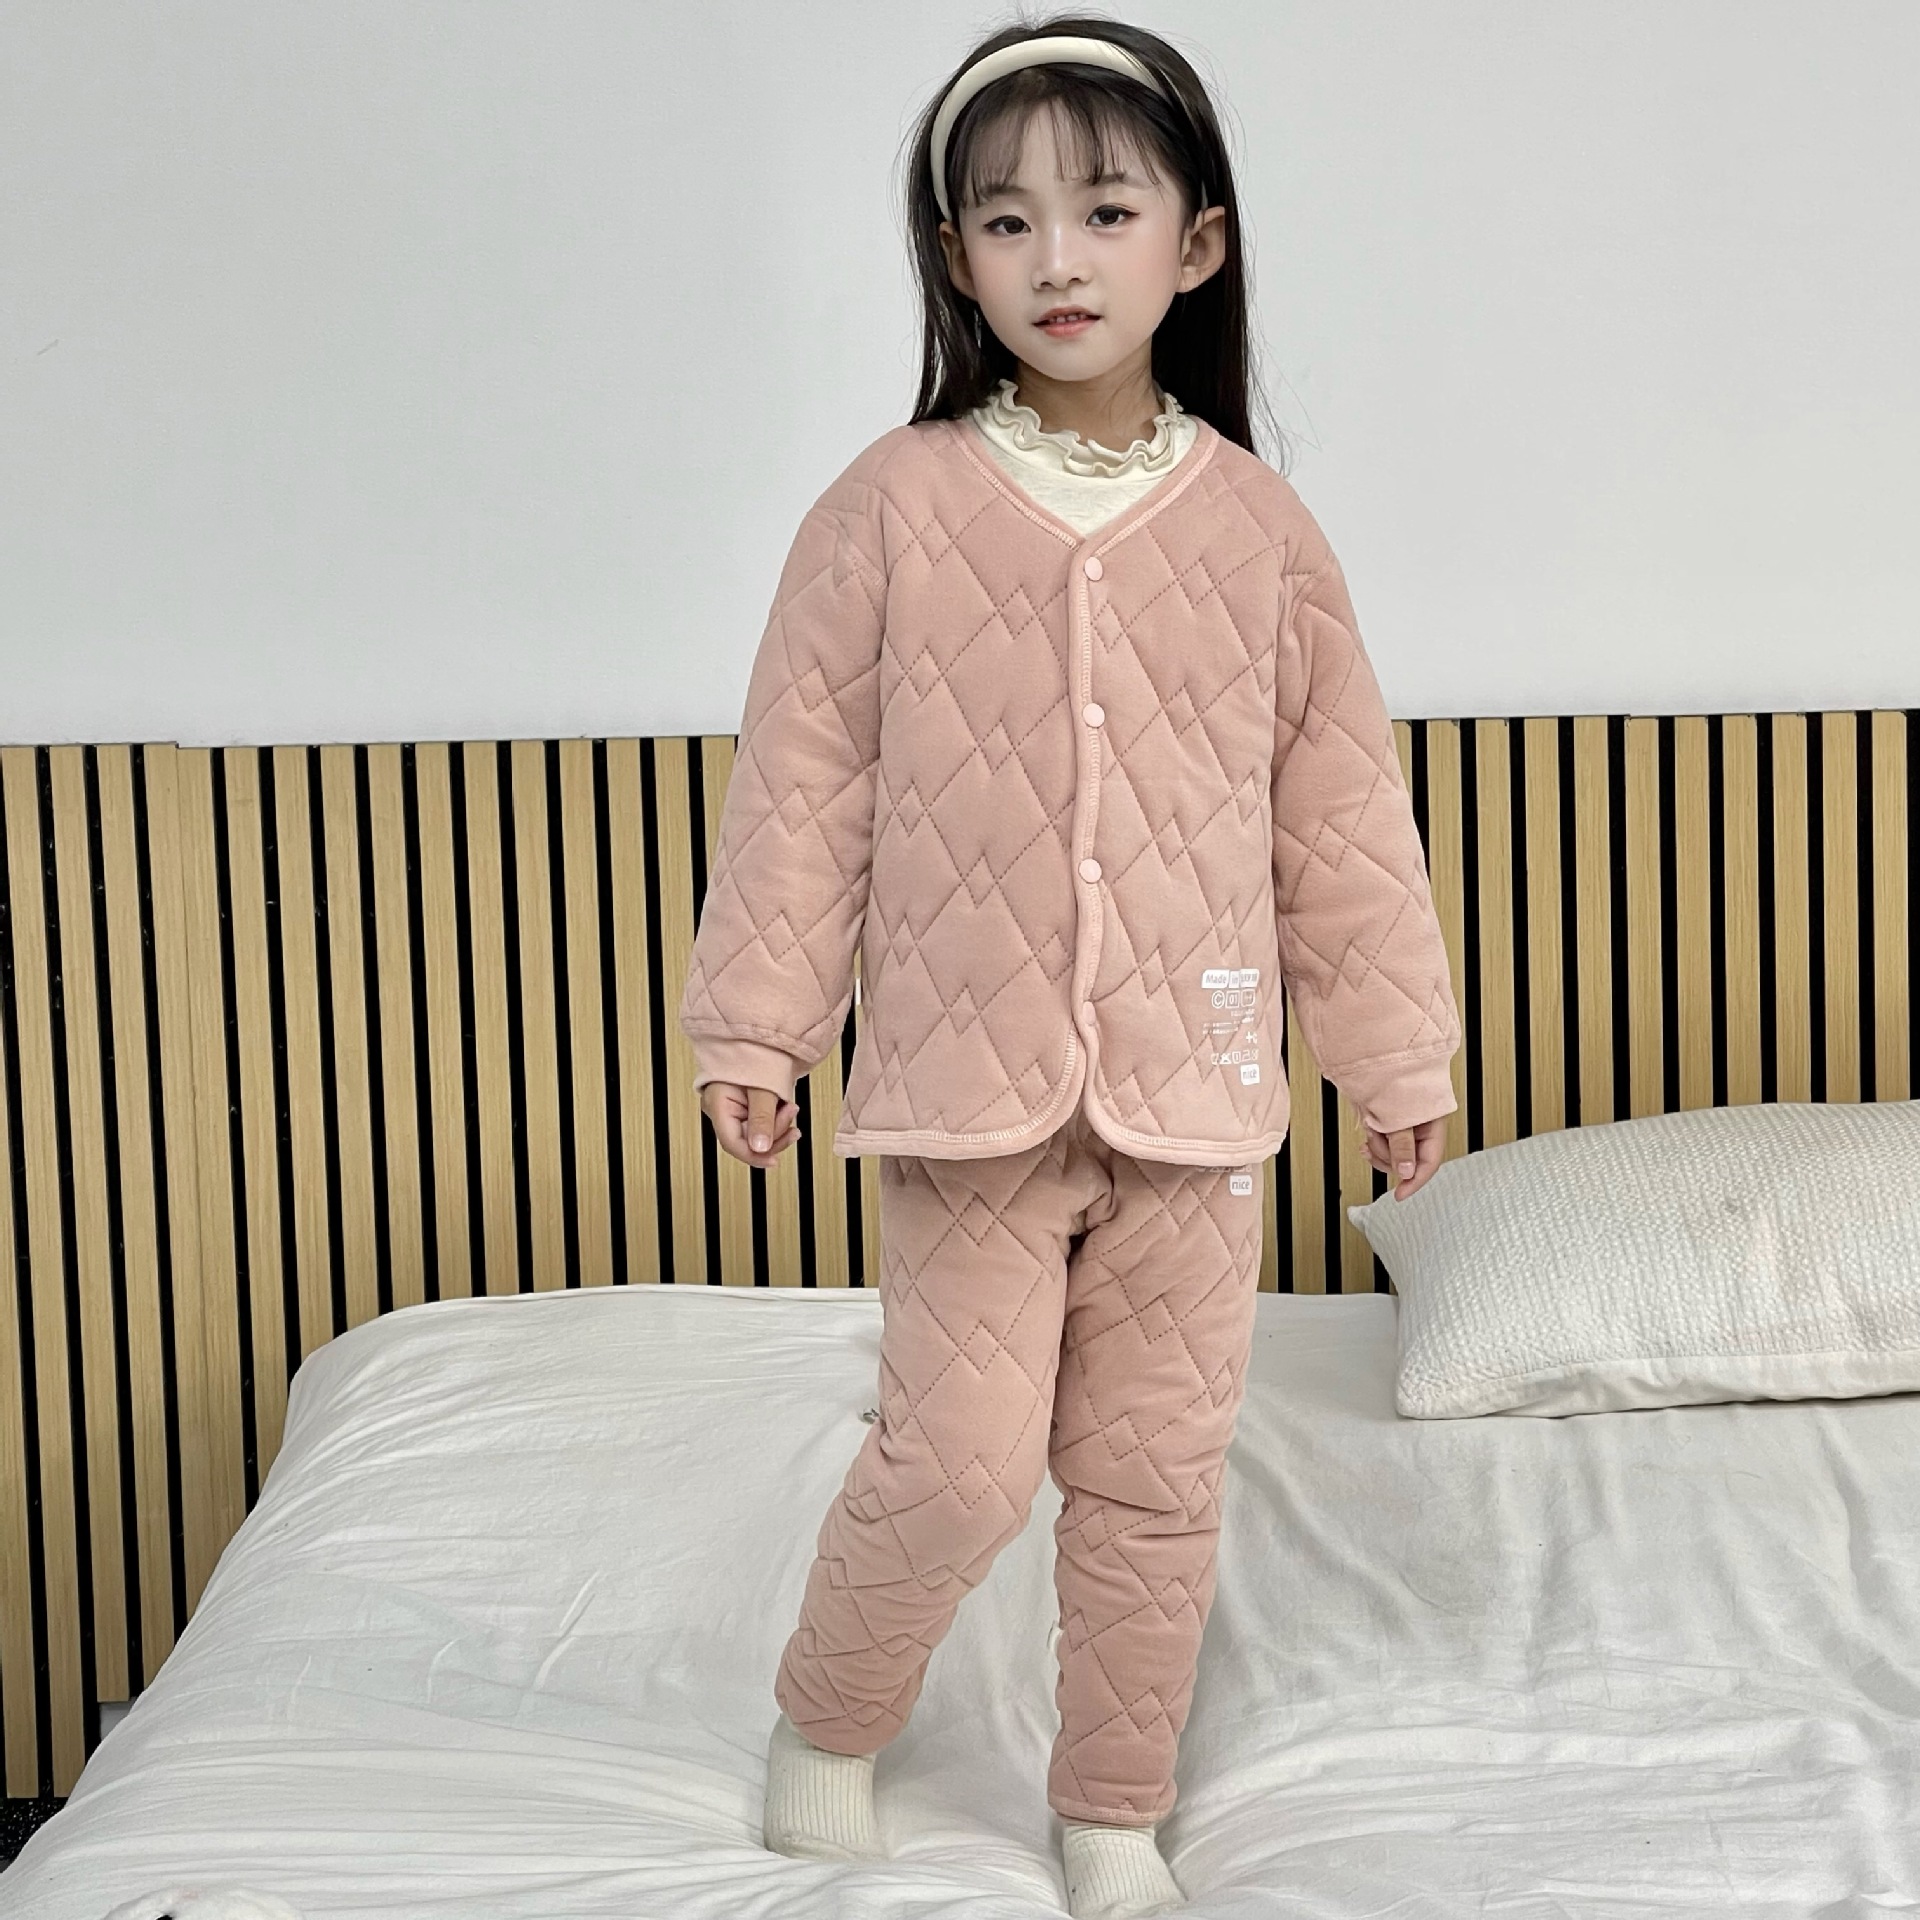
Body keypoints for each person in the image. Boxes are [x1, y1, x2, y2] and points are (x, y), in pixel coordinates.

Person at [679, 19, 1462, 1917]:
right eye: (1008, 219)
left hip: (1198, 1093)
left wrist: (1397, 1059)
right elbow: (803, 780)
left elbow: (1338, 816)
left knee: (1153, 1478)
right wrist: (760, 1023)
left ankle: (1114, 1805)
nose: (1059, 258)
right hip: (968, 1096)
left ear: (1197, 243)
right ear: (956, 258)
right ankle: (829, 1718)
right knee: (957, 1461)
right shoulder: (891, 504)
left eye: (1107, 212)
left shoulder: (1261, 528)